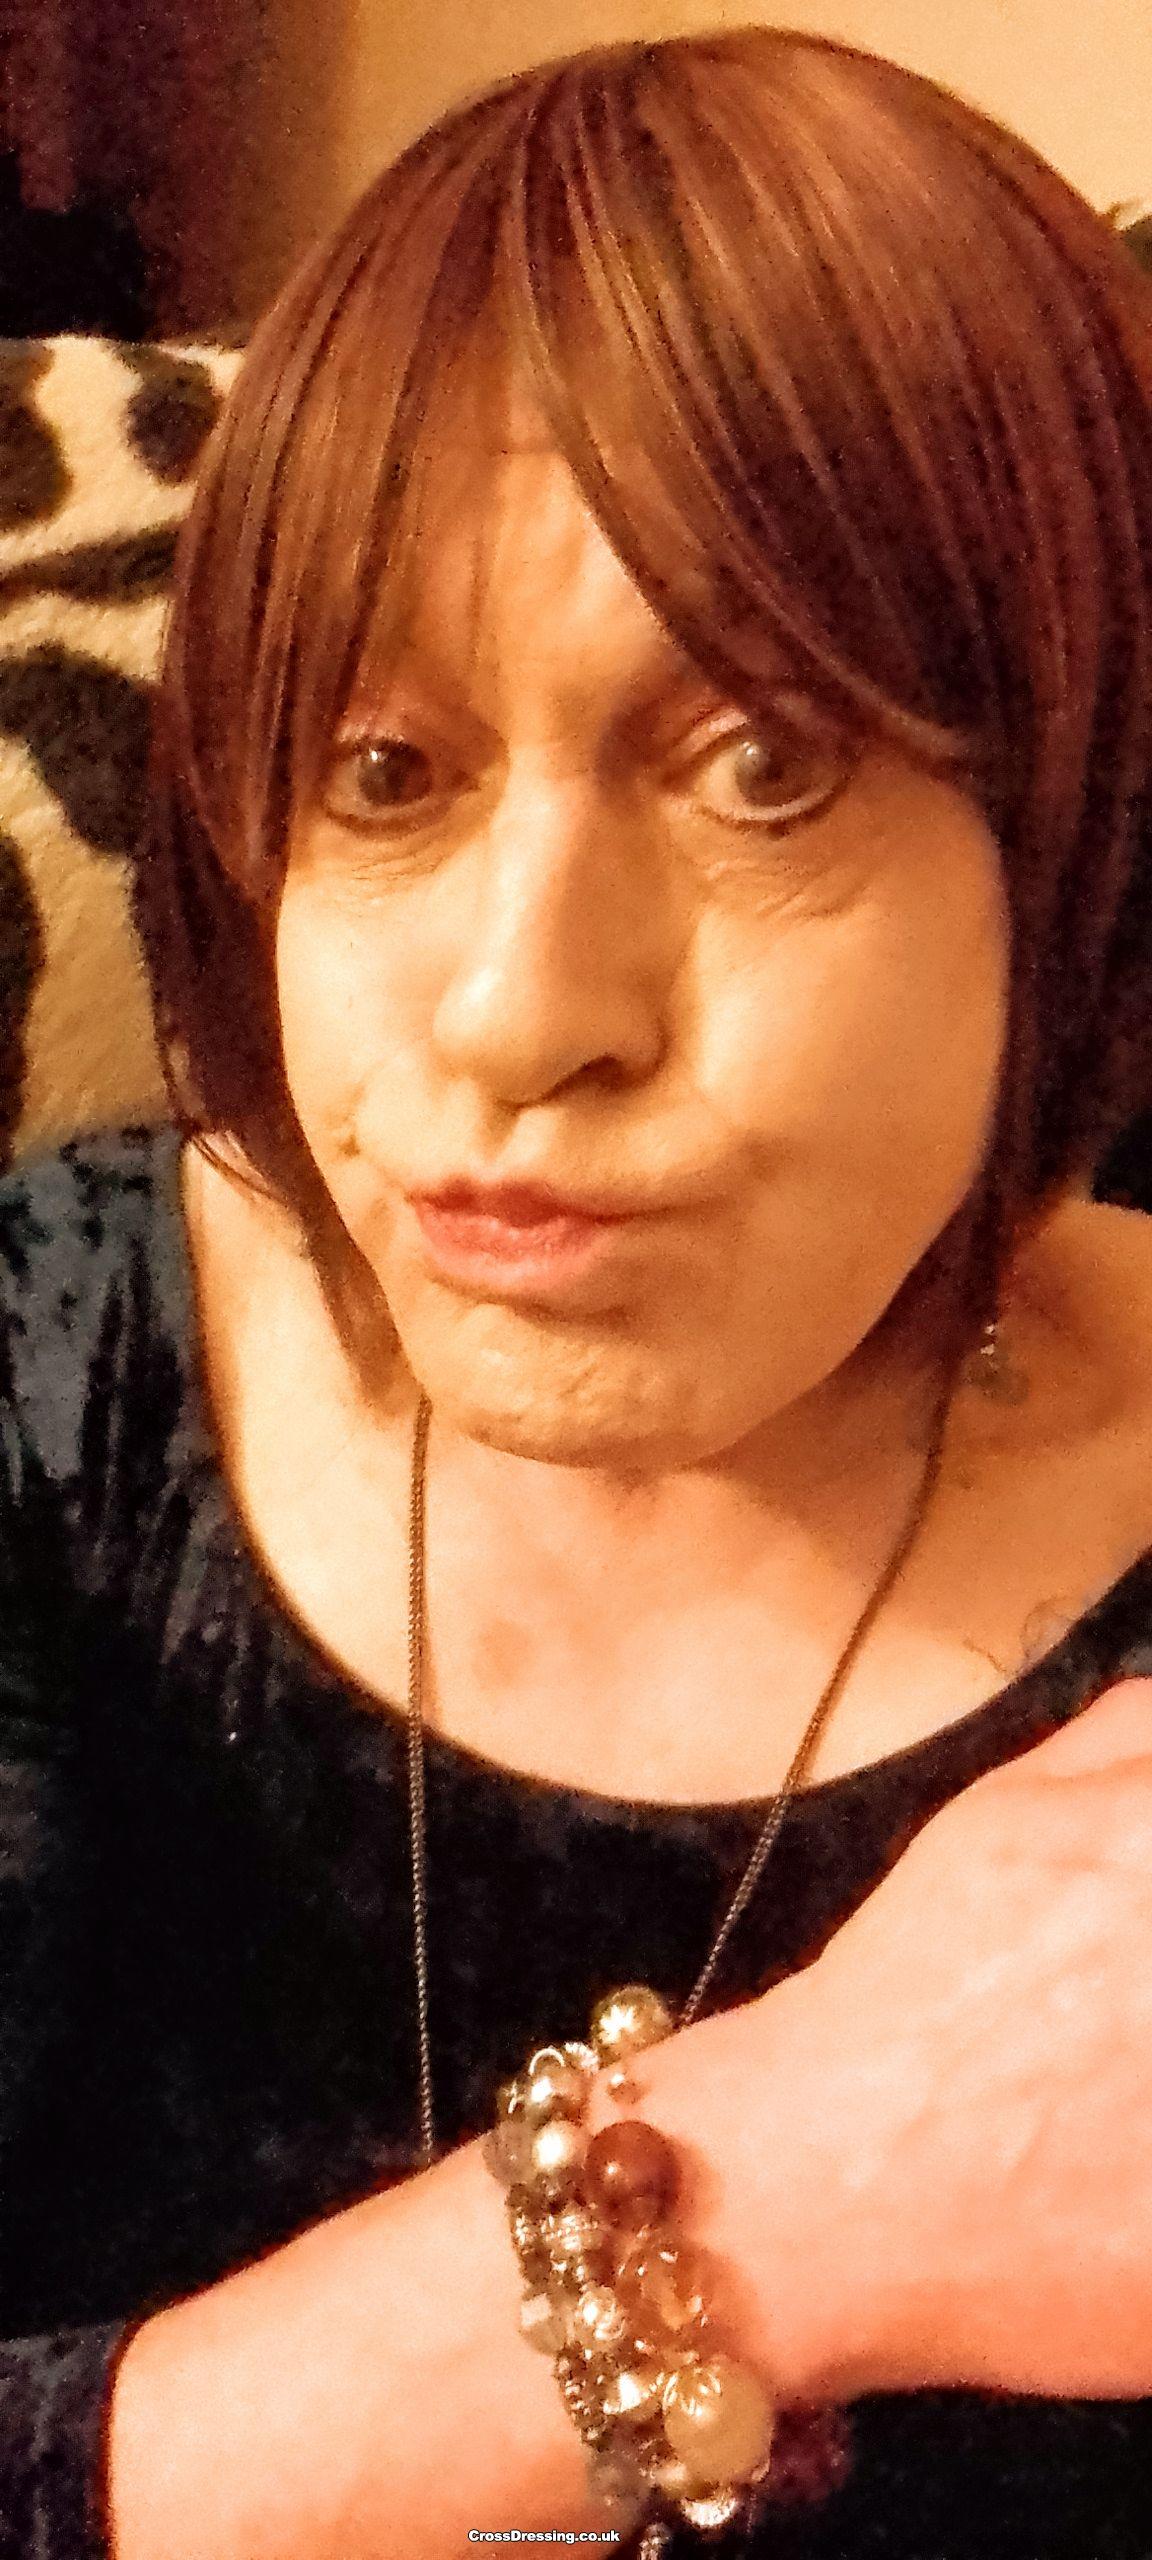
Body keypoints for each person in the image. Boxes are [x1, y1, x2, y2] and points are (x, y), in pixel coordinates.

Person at [4, 19, 1152, 2557]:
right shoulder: (49, 1389)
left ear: (1085, 824)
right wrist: (788, 2184)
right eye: (384, 772)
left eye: (765, 764)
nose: (522, 1011)